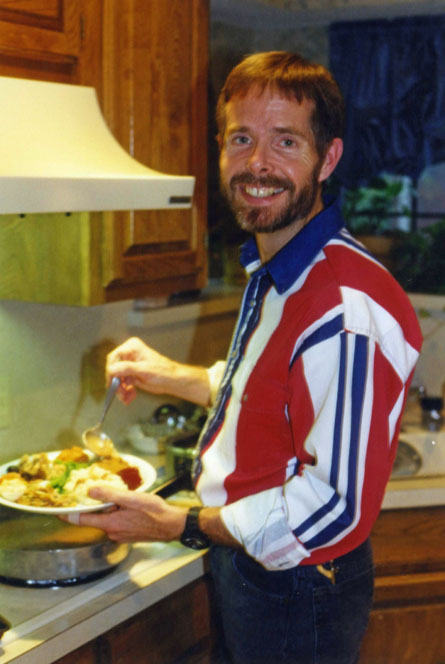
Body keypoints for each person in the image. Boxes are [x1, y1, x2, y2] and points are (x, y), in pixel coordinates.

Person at [72, 52, 423, 663]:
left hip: (298, 586)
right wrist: (173, 377)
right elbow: (276, 393)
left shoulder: (345, 308)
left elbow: (333, 509)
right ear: (221, 149)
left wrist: (178, 523)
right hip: (253, 560)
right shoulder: (280, 266)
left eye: (286, 141)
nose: (258, 163)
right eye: (242, 138)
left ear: (328, 159)